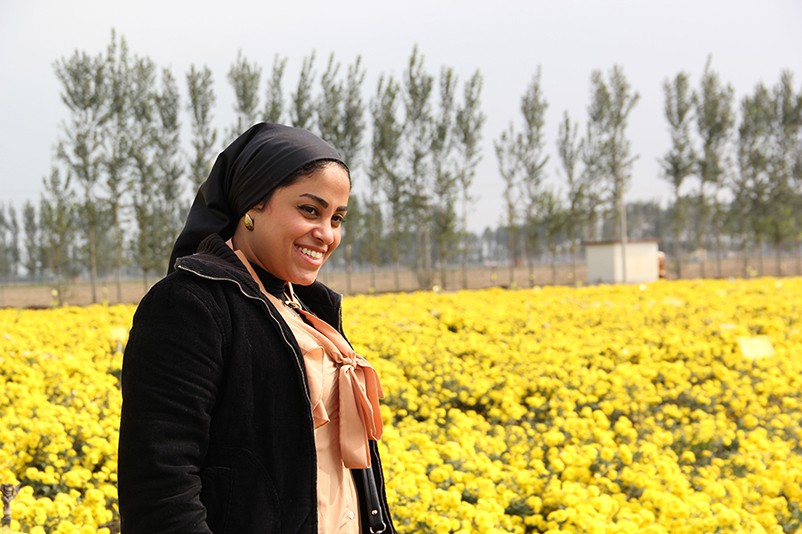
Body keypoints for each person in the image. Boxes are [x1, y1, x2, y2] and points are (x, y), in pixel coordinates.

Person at [118, 123, 395, 534]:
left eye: (337, 218)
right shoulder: (190, 304)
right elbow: (160, 488)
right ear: (252, 204)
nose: (326, 234)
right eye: (310, 210)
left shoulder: (308, 306)